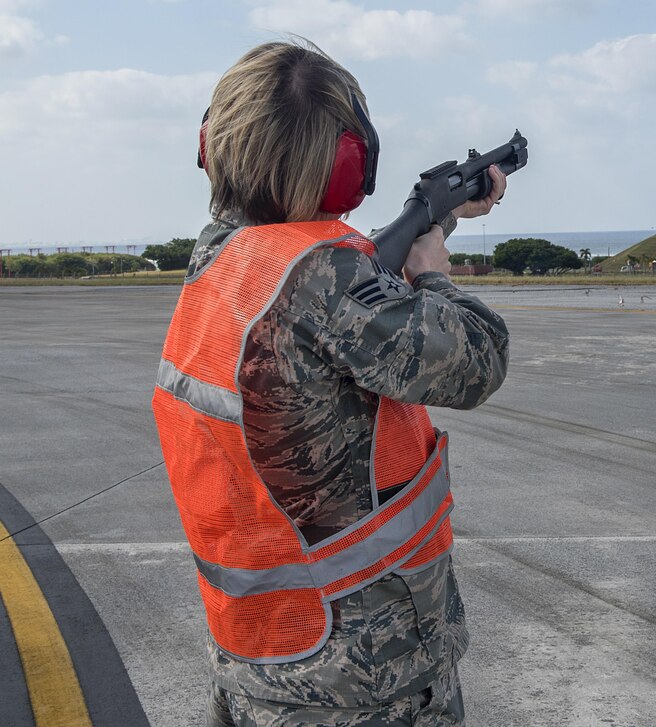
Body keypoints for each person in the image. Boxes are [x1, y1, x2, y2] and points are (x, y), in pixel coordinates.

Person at [150, 38, 510, 726]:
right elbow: (478, 358)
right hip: (362, 675)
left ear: (214, 145)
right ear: (350, 161)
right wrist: (432, 265)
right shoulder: (328, 280)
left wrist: (420, 233)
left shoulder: (217, 263)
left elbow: (315, 286)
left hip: (256, 653)